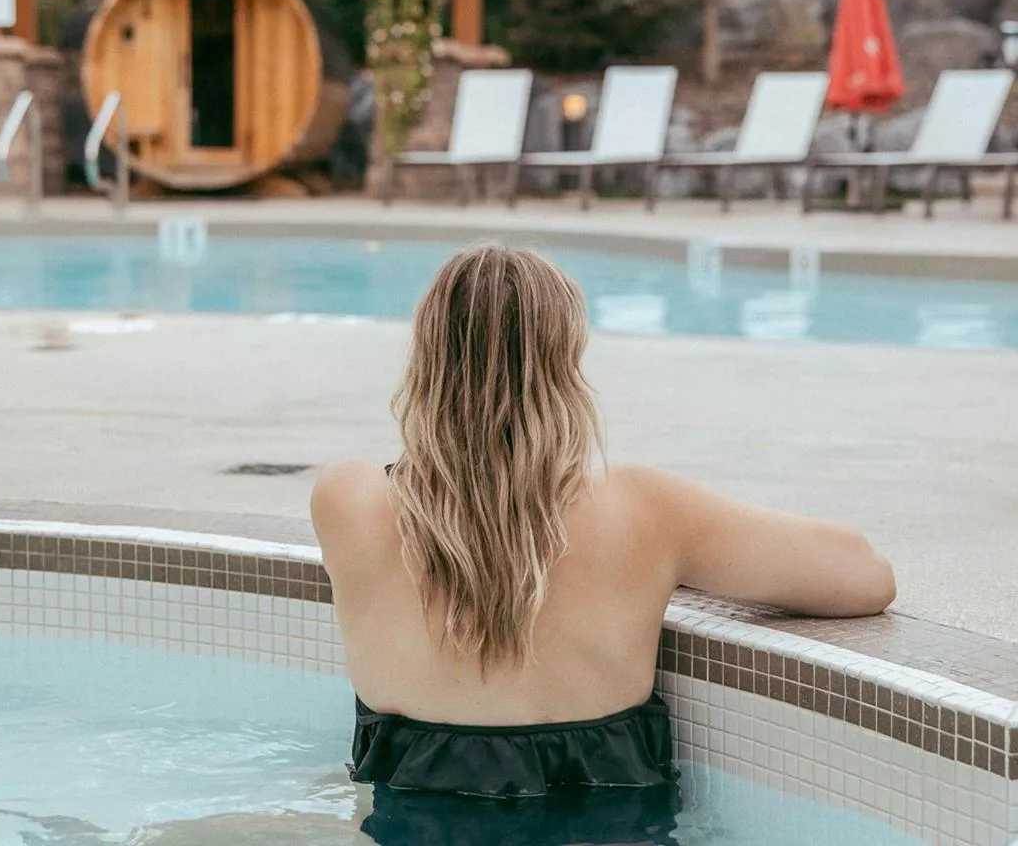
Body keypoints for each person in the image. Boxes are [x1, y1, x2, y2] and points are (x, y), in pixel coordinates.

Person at [312, 245, 895, 831]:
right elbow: (865, 578)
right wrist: (672, 559)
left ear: (426, 358)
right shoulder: (642, 513)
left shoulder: (350, 503)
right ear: (565, 365)